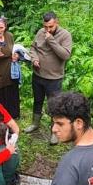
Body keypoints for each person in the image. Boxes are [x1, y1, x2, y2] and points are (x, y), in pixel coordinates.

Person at [25, 11, 73, 145]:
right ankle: (35, 123)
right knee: (38, 100)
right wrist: (34, 59)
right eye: (45, 27)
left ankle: (54, 132)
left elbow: (65, 55)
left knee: (54, 106)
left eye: (50, 27)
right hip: (38, 75)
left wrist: (50, 40)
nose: (47, 30)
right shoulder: (40, 32)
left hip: (54, 78)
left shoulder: (65, 35)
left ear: (56, 22)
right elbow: (33, 48)